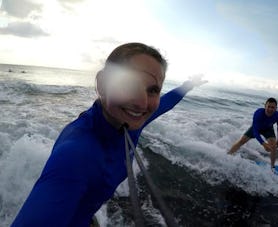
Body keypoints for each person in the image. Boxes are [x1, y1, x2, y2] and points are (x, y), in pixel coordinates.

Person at [12, 42, 206, 226]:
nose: (142, 103)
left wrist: (188, 85)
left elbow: (165, 102)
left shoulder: (131, 120)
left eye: (153, 90)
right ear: (103, 84)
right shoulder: (75, 155)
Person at [228, 98, 278, 170]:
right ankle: (228, 156)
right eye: (268, 106)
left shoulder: (277, 115)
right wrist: (264, 144)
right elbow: (256, 132)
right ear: (265, 106)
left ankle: (272, 167)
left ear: (276, 108)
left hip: (268, 129)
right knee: (242, 141)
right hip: (257, 128)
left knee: (274, 146)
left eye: (273, 107)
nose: (270, 109)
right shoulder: (258, 113)